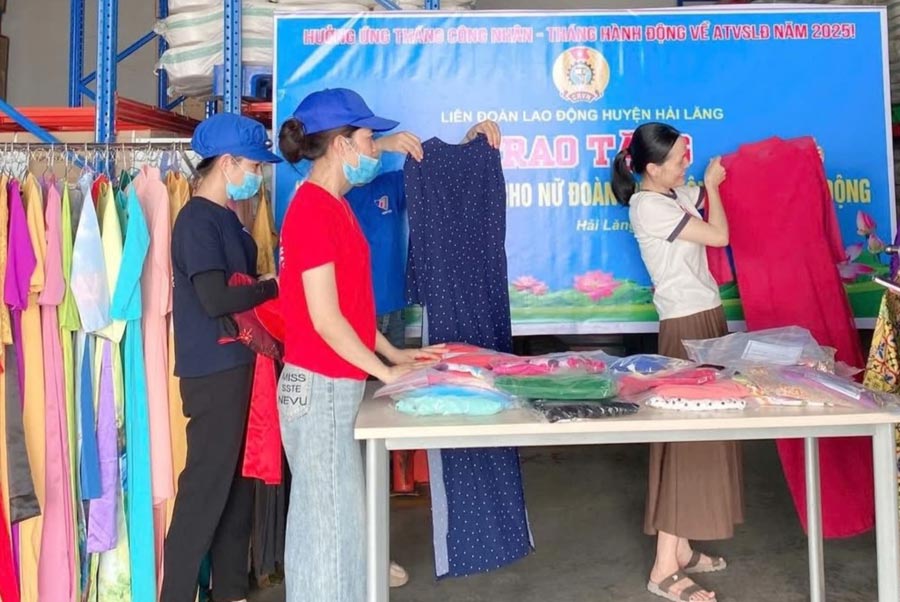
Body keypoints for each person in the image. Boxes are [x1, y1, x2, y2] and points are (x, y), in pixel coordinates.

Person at [275, 87, 498, 601]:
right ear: (340, 147)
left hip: (334, 382)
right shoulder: (311, 211)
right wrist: (385, 371)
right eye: (368, 138)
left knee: (341, 520)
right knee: (326, 528)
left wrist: (395, 354)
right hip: (320, 385)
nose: (375, 148)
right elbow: (326, 320)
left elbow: (351, 309)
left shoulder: (334, 207)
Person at [611, 122, 742, 602]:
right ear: (651, 168)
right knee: (688, 442)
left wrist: (795, 157)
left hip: (705, 318)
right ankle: (664, 567)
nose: (687, 164)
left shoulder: (672, 193)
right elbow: (720, 234)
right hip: (685, 330)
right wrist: (709, 187)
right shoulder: (648, 206)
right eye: (679, 160)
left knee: (702, 437)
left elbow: (725, 177)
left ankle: (681, 549)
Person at [162, 113, 283, 602]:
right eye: (253, 165)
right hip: (212, 374)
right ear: (229, 162)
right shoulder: (195, 221)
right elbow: (214, 299)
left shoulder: (229, 221)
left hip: (238, 368)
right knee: (203, 496)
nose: (257, 176)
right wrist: (273, 287)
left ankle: (229, 591)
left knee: (236, 494)